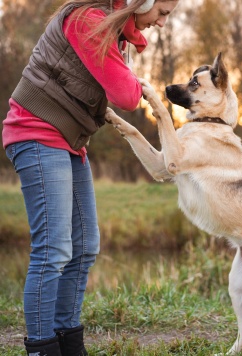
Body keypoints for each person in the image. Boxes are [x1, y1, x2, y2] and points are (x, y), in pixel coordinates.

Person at [2, 0, 179, 355]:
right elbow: (127, 96)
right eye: (161, 12)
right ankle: (41, 347)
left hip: (69, 139)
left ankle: (69, 343)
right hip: (36, 132)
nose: (161, 23)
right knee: (53, 249)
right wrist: (135, 78)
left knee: (84, 247)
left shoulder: (115, 33)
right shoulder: (89, 21)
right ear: (138, 2)